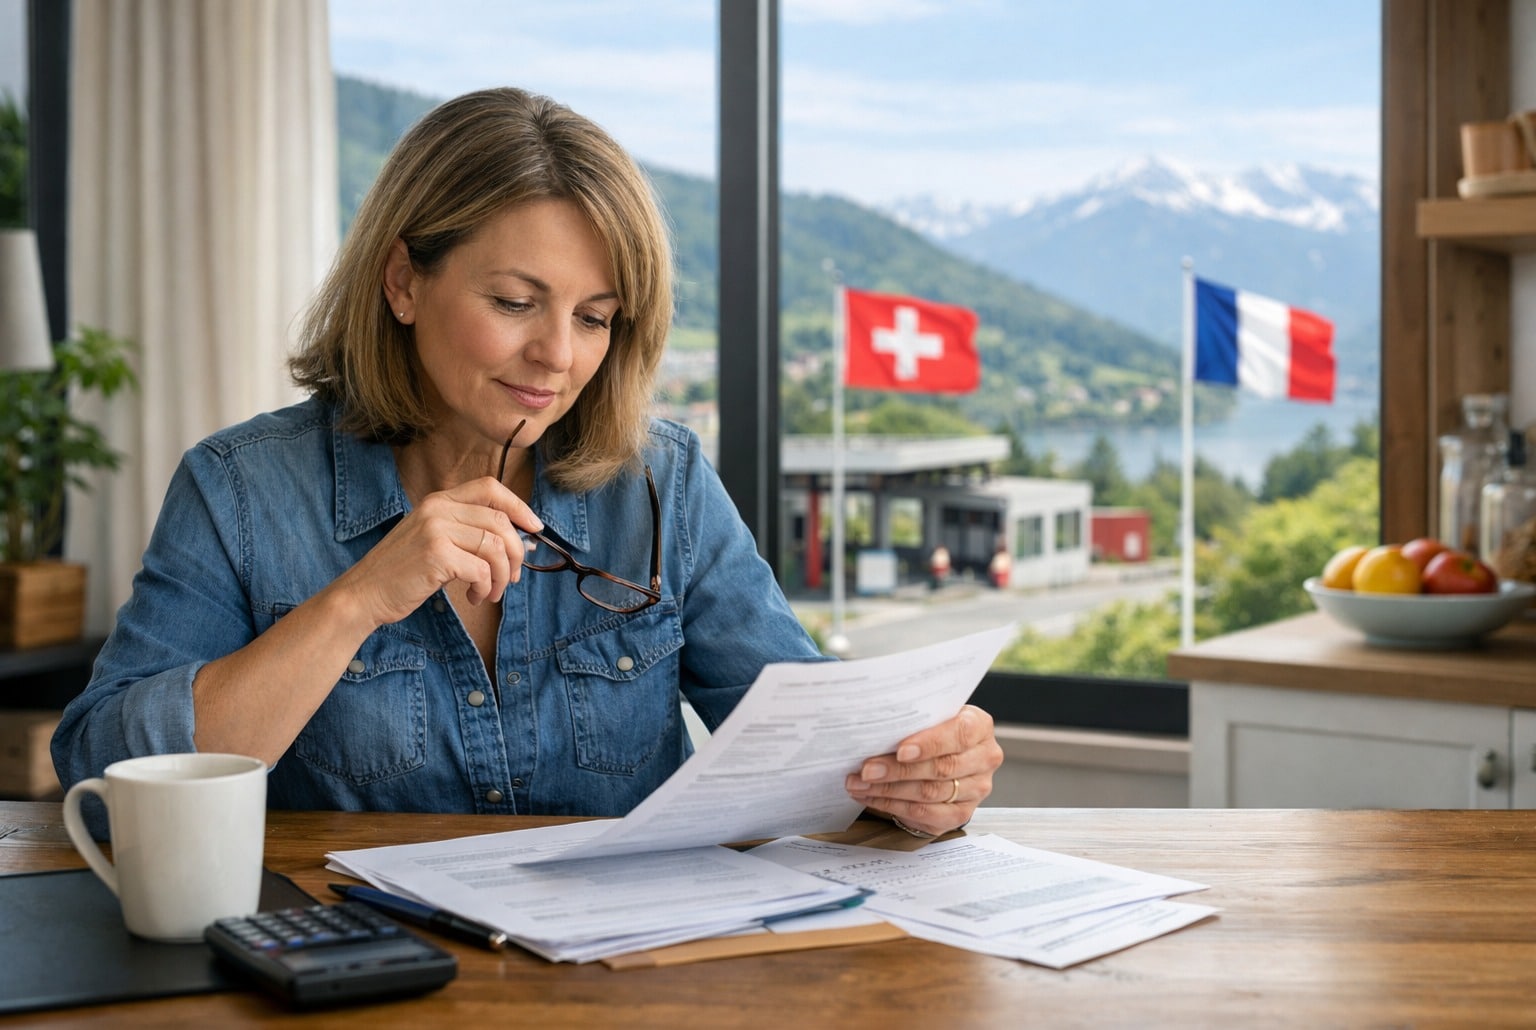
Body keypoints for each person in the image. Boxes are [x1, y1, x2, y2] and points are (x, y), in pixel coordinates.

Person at [51, 87, 1001, 839]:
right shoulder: (241, 490)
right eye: (515, 301)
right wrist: (357, 603)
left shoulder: (661, 482)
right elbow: (99, 770)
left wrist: (913, 774)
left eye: (593, 317)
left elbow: (813, 742)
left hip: (619, 979)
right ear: (403, 281)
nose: (560, 355)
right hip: (364, 980)